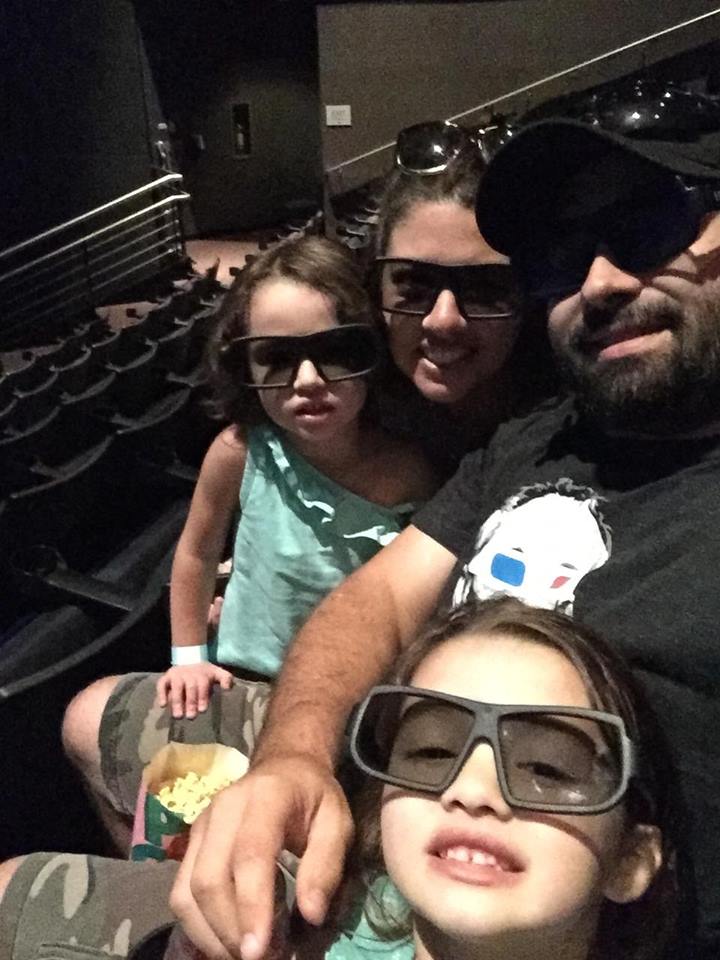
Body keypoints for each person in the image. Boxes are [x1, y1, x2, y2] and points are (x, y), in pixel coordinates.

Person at [161, 100, 720, 960]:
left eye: (649, 227)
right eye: (561, 257)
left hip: (468, 911)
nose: (602, 281)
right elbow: (381, 599)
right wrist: (295, 757)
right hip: (368, 798)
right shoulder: (541, 436)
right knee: (85, 734)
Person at [0, 597, 678, 960]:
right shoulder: (320, 930)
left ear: (631, 858)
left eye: (548, 768)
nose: (472, 790)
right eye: (430, 753)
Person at [62, 235, 434, 850]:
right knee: (178, 829)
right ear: (245, 368)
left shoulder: (411, 472)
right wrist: (188, 655)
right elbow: (195, 552)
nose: (308, 380)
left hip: (349, 701)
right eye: (277, 359)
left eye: (336, 352)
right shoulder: (240, 450)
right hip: (236, 678)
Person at [371, 120, 554, 478]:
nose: (443, 320)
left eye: (485, 288)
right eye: (414, 284)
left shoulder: (571, 429)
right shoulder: (345, 411)